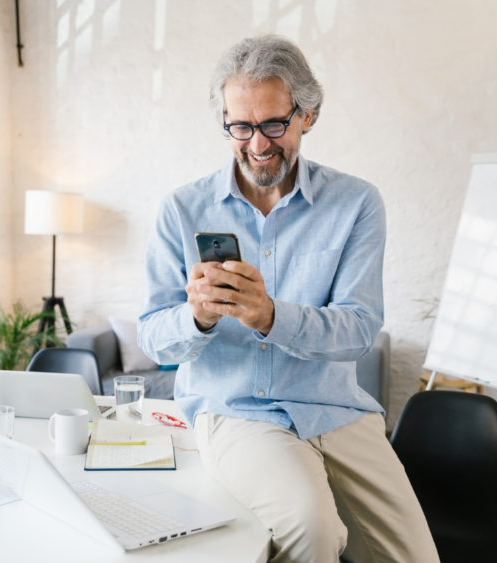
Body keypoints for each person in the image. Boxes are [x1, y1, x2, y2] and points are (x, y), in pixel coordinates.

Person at [137, 35, 439, 563]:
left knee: (414, 556)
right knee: (314, 530)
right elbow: (152, 335)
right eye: (240, 127)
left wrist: (271, 316)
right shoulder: (181, 210)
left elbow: (359, 330)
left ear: (307, 115)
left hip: (336, 409)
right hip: (235, 411)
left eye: (274, 124)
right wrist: (198, 318)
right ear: (225, 122)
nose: (257, 145)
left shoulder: (357, 203)